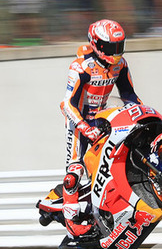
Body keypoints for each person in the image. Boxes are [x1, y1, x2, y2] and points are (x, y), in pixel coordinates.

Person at [58, 19, 142, 236]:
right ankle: (71, 222)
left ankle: (106, 210)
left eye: (119, 47)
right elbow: (67, 104)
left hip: (103, 119)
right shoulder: (80, 67)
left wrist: (140, 115)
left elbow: (129, 95)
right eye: (111, 48)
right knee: (74, 172)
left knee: (109, 164)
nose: (116, 53)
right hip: (79, 123)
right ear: (96, 44)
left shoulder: (120, 65)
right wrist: (85, 128)